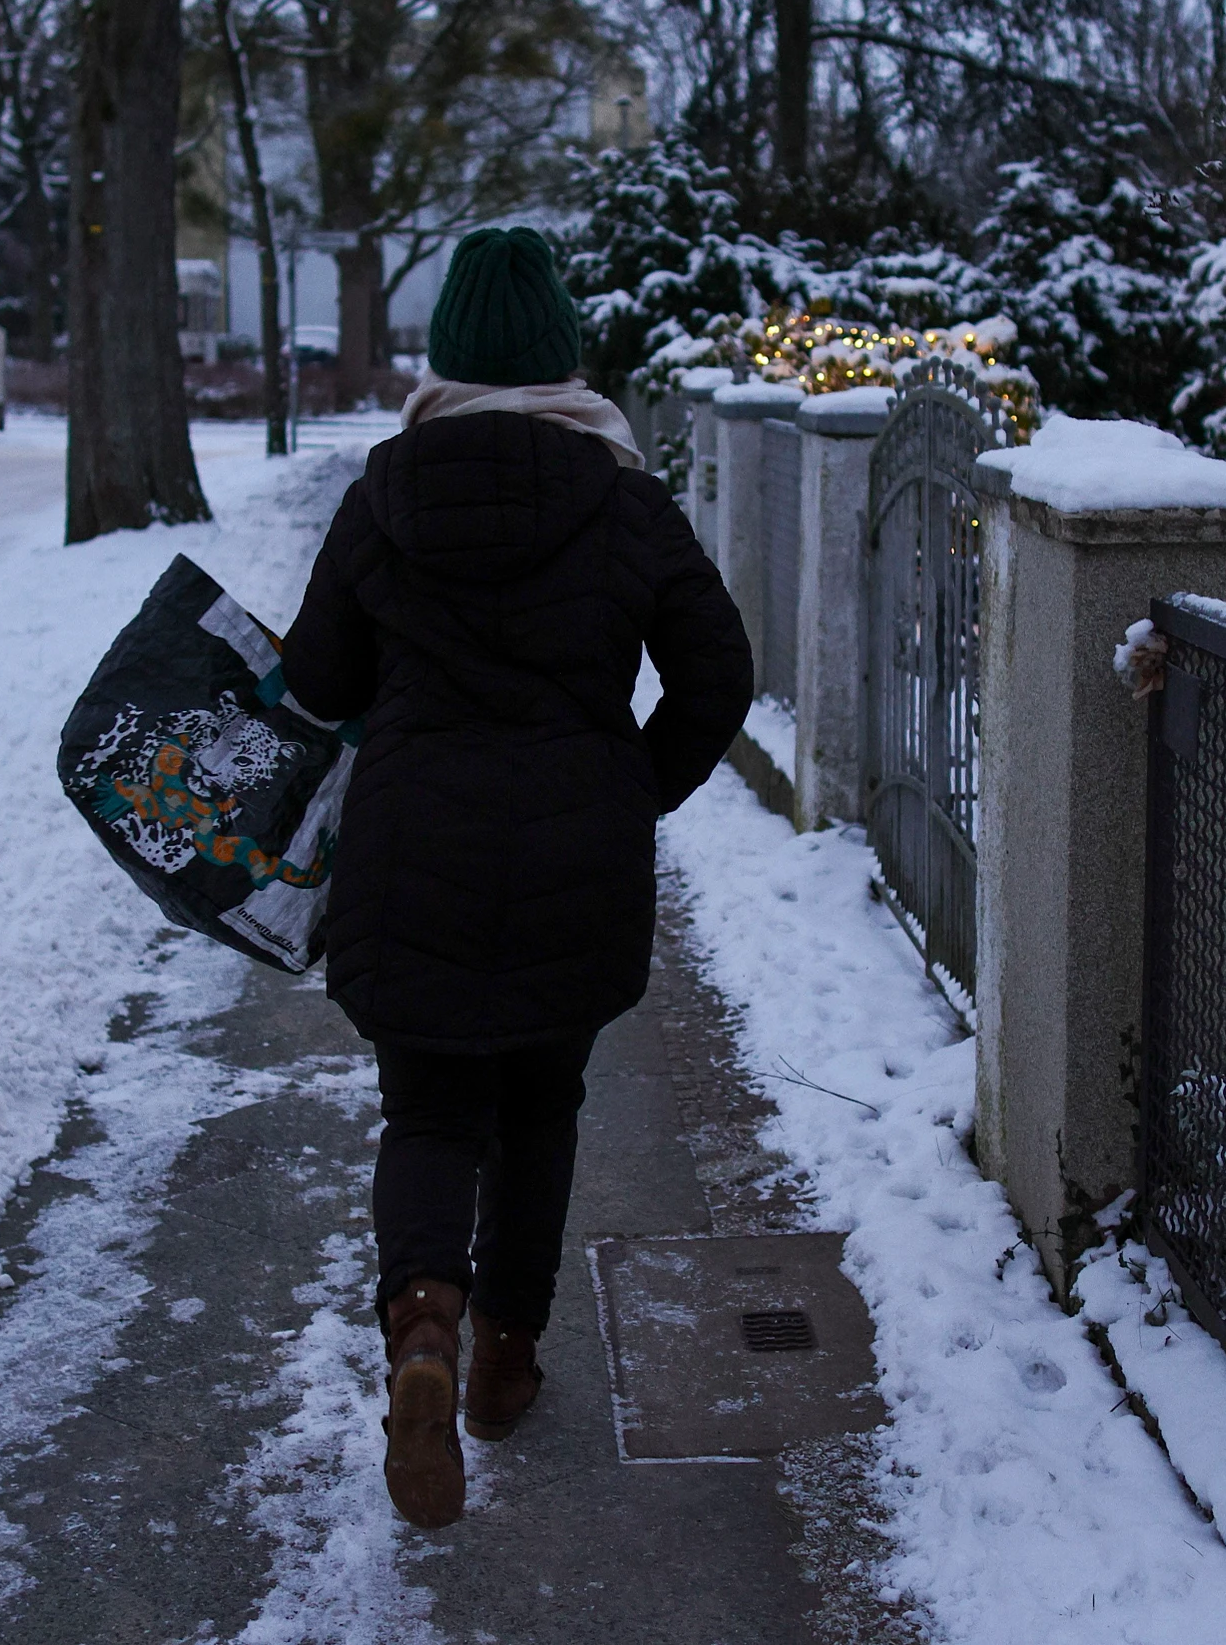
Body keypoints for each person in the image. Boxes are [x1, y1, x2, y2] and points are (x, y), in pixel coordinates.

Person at [275, 226, 754, 1529]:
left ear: (449, 357)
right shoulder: (623, 500)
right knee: (541, 1108)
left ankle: (420, 1324)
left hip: (408, 857)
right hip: (571, 863)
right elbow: (720, 676)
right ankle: (501, 1364)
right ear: (559, 353)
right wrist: (628, 788)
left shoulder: (384, 492)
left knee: (429, 1108)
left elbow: (317, 683)